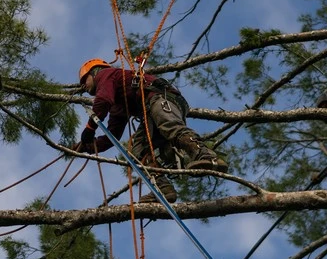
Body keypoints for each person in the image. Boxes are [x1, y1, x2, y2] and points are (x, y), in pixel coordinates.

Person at [76, 58, 227, 203]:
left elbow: (102, 100)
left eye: (84, 80)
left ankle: (207, 156)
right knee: (139, 151)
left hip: (159, 97)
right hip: (151, 109)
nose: (83, 86)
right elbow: (112, 136)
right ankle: (163, 188)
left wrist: (89, 129)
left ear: (94, 71)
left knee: (170, 127)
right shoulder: (118, 104)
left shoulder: (106, 75)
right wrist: (86, 146)